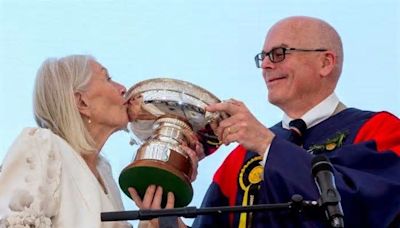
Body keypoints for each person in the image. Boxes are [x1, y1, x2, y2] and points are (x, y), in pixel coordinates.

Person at [190, 16, 400, 227]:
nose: (265, 65)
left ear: (325, 62)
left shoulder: (381, 130)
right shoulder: (241, 157)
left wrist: (268, 145)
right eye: (263, 56)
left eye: (279, 54)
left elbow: (367, 209)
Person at [0, 55, 200, 228]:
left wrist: (156, 220)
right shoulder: (41, 145)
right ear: (82, 102)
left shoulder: (104, 172)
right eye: (108, 78)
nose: (123, 89)